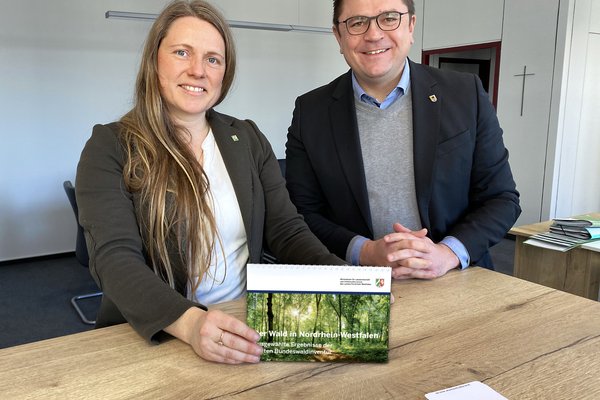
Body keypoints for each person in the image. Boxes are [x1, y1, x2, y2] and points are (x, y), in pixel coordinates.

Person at [76, 0, 344, 364]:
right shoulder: (111, 145)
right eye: (182, 52)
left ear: (224, 73)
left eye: (213, 59)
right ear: (155, 62)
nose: (198, 70)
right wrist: (190, 323)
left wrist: (341, 276)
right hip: (159, 334)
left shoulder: (247, 138)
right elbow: (115, 260)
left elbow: (286, 230)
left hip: (244, 331)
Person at [285, 0, 520, 280]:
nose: (373, 34)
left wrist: (447, 253)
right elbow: (301, 213)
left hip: (458, 278)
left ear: (410, 26)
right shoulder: (310, 111)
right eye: (357, 23)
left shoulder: (465, 94)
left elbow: (501, 198)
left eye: (389, 18)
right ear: (338, 36)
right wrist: (365, 251)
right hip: (358, 284)